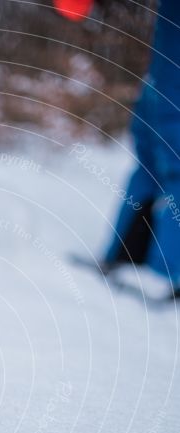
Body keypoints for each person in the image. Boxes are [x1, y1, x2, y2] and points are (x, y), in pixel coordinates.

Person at [57, 0, 180, 298]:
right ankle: (127, 255)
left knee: (174, 155)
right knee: (149, 150)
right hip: (165, 61)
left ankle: (168, 272)